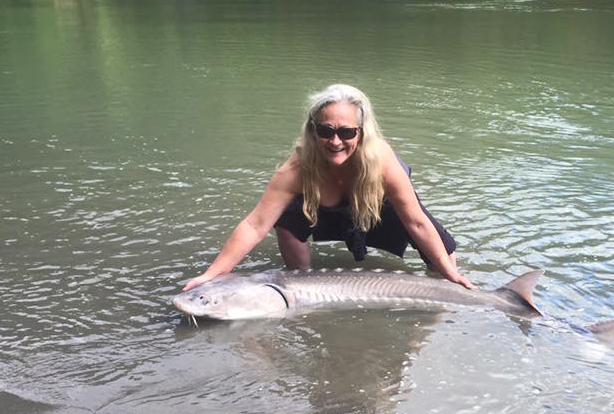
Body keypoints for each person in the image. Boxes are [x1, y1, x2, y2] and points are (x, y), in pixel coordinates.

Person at [183, 84, 474, 292]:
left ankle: (446, 290)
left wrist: (450, 273)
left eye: (347, 132)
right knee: (287, 217)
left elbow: (416, 221)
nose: (336, 142)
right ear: (313, 130)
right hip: (327, 214)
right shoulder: (297, 167)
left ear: (361, 133)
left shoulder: (382, 160)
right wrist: (213, 274)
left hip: (377, 210)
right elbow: (255, 225)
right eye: (326, 131)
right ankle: (302, 288)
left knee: (442, 253)